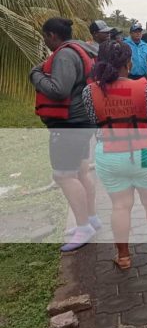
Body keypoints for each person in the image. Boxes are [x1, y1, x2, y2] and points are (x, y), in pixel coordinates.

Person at [83, 40, 147, 269]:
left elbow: (94, 121)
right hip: (145, 154)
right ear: (129, 63)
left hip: (110, 155)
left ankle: (124, 257)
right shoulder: (145, 88)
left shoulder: (89, 92)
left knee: (119, 206)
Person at [30, 18, 99, 252]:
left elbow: (59, 90)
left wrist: (35, 75)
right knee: (80, 171)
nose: (45, 41)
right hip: (82, 121)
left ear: (52, 35)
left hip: (69, 123)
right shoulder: (81, 49)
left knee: (63, 175)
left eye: (45, 37)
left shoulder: (64, 55)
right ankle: (90, 218)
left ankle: (83, 226)